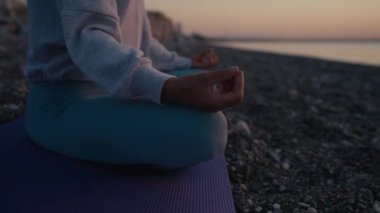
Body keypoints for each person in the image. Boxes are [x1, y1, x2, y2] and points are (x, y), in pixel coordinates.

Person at [24, 0, 244, 169]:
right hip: (62, 103)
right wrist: (170, 88)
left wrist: (189, 63)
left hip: (111, 89)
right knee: (206, 129)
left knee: (196, 77)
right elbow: (90, 39)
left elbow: (145, 46)